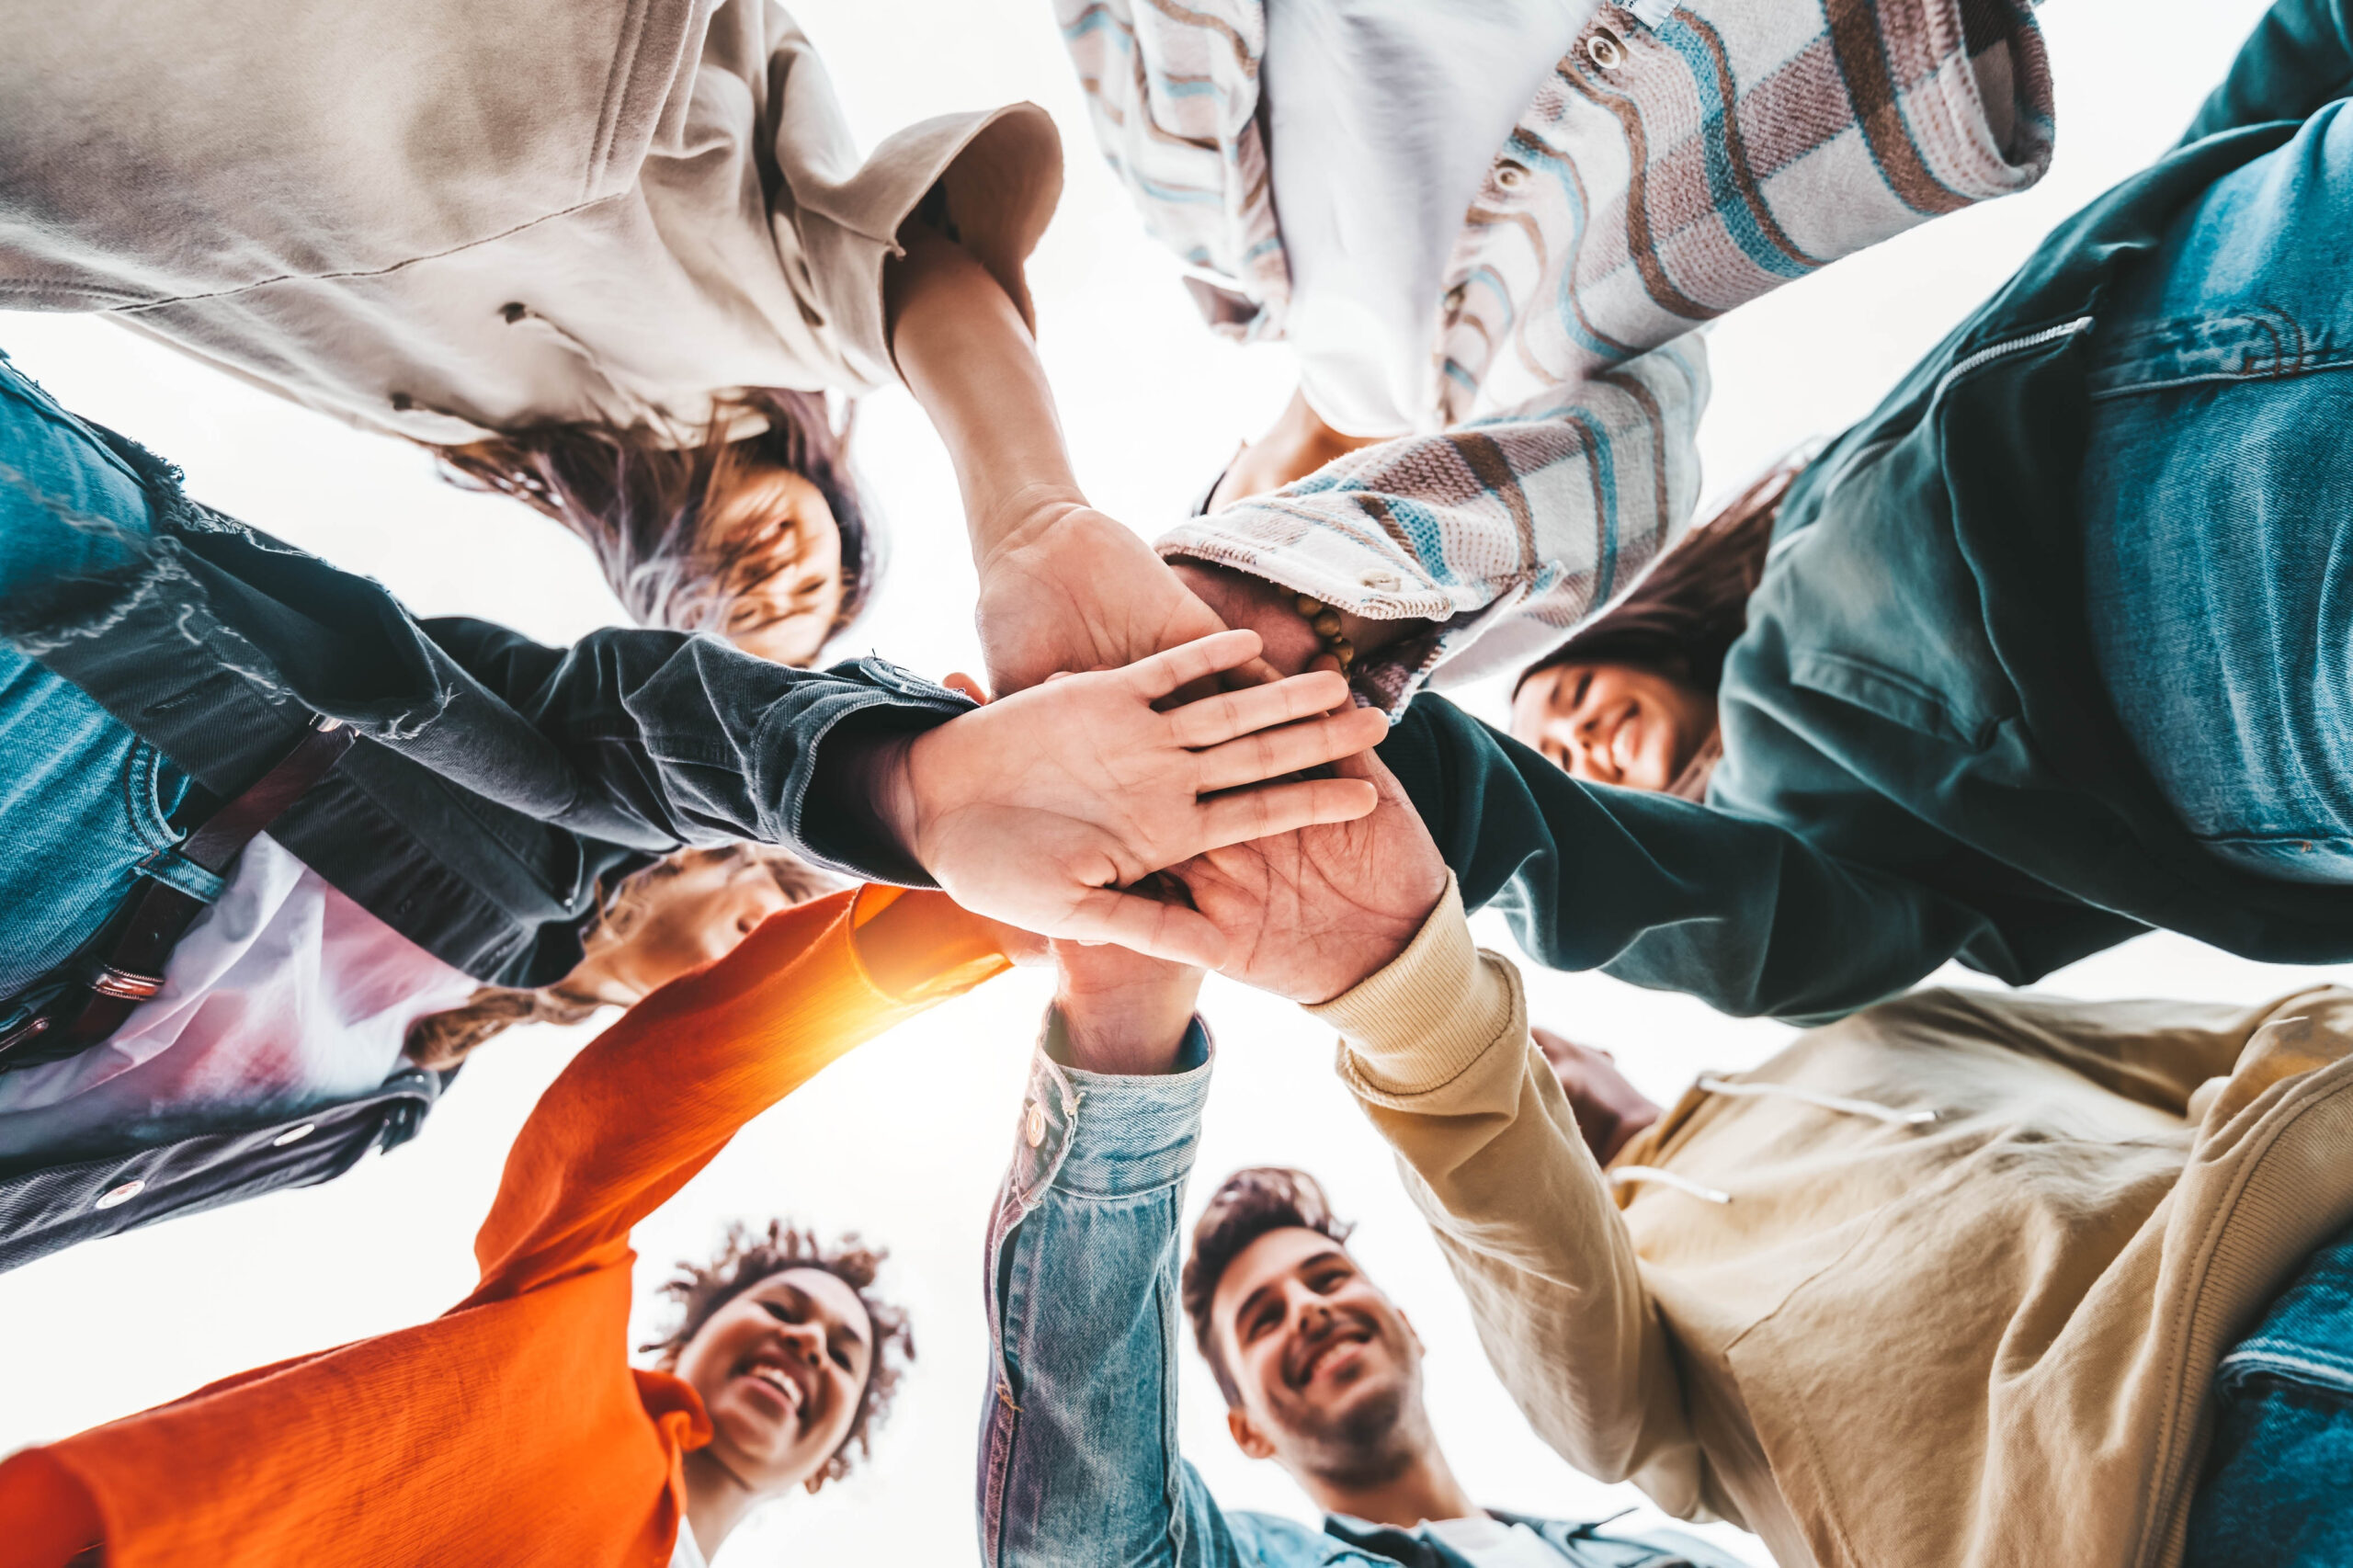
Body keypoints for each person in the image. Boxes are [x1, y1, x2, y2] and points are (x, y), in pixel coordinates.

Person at [0, 347, 1389, 1266]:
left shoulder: (377, 1110)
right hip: (85, 682)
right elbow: (620, 740)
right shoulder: (551, 847)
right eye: (781, 884)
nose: (772, 916)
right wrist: (912, 779)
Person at [1314, 0, 2353, 1023]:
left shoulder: (1818, 534)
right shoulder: (1785, 850)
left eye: (1569, 693)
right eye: (1562, 762)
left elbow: (2084, 269)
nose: (1580, 738)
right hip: (2239, 683)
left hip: (2229, 300)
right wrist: (1376, 753)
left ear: (1637, 637)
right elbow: (1698, 920)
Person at [1165, 748, 2353, 1568]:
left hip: (2321, 1267)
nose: (1535, 1073)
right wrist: (1415, 996)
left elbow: (2234, 1037)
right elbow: (1528, 1242)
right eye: (1261, 1317)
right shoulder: (1615, 1302)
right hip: (2186, 1485)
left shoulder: (1883, 1025)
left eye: (1317, 1278)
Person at [0, 0, 1253, 691]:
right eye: (818, 583)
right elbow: (922, 281)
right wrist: (1031, 513)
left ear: (650, 595)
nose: (776, 591)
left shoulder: (470, 431)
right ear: (835, 498)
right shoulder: (781, 317)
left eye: (743, 618)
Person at [1054, 0, 2054, 707]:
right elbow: (1602, 492)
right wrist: (1316, 625)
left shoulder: (1205, 233)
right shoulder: (1535, 390)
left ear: (1220, 486)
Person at [0, 881, 1016, 1566]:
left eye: (841, 1353)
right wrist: (952, 924)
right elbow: (643, 1102)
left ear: (832, 1451)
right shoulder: (564, 1327)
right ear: (688, 1332)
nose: (805, 1339)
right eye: (788, 1306)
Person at [976, 937, 1751, 1568]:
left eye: (1326, 1278)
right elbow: (1080, 1544)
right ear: (1247, 1430)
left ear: (1408, 1327)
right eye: (1263, 1320)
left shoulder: (1662, 1552)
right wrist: (1124, 1030)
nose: (1309, 1308)